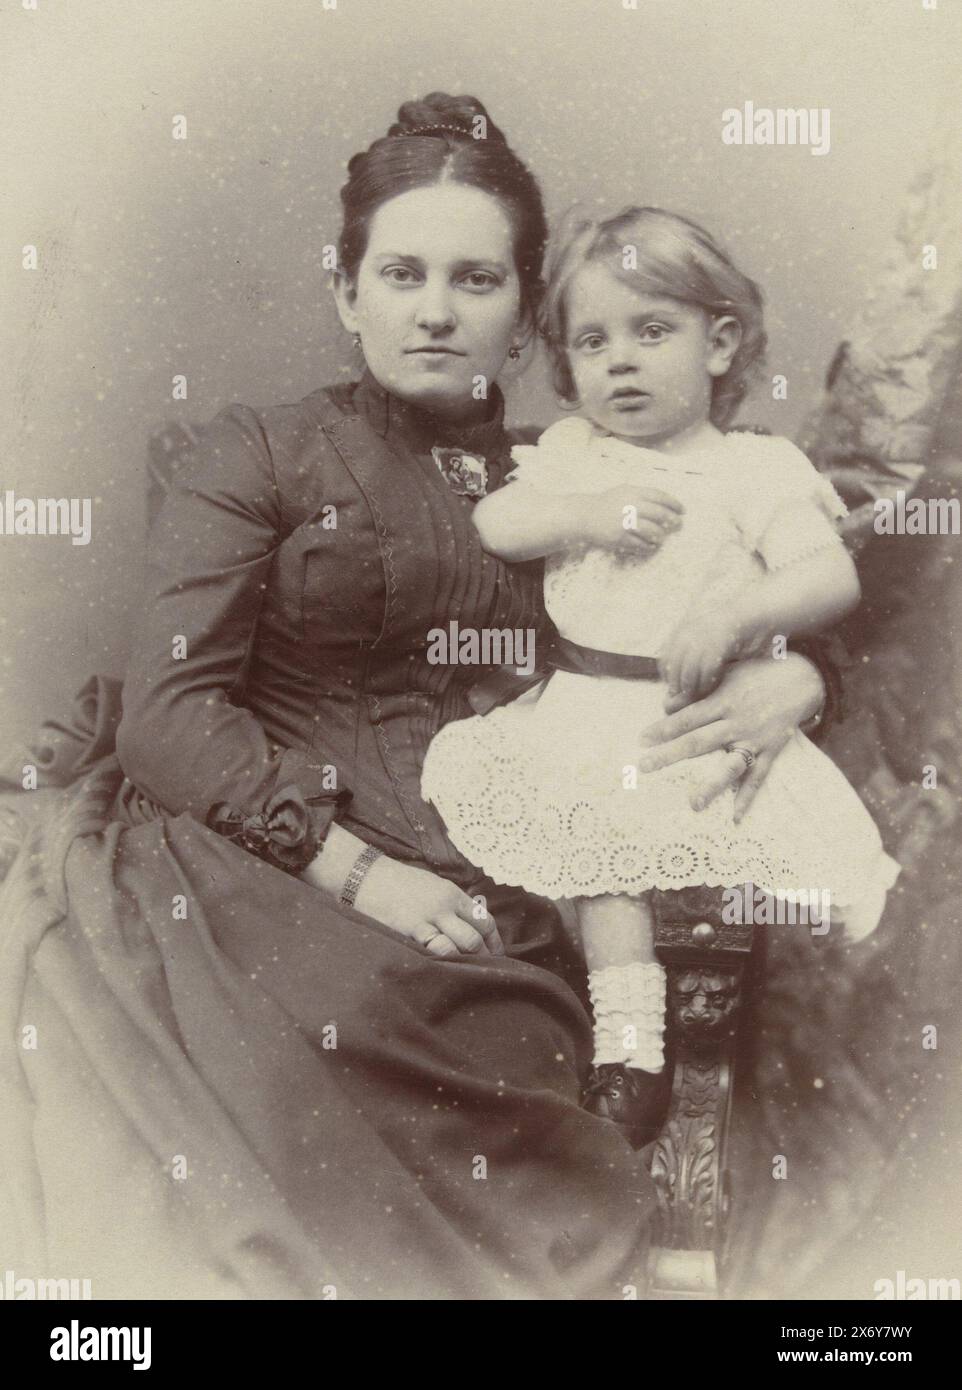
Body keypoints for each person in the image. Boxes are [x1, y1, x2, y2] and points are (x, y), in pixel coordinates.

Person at [0, 97, 834, 1300]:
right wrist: (357, 873)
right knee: (314, 1038)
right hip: (258, 853)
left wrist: (805, 674)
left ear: (524, 306)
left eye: (475, 278)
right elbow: (171, 713)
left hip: (500, 884)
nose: (435, 310)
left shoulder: (581, 472)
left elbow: (743, 580)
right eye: (399, 273)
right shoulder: (257, 452)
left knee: (506, 1073)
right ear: (346, 292)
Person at [421, 206, 900, 1147]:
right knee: (600, 867)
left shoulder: (756, 469)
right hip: (580, 711)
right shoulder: (575, 458)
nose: (621, 362)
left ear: (719, 342)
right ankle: (629, 1056)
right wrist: (587, 513)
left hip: (685, 717)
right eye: (593, 342)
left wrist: (734, 616)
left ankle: (668, 1062)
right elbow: (497, 526)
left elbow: (829, 573)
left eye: (652, 331)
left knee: (662, 861)